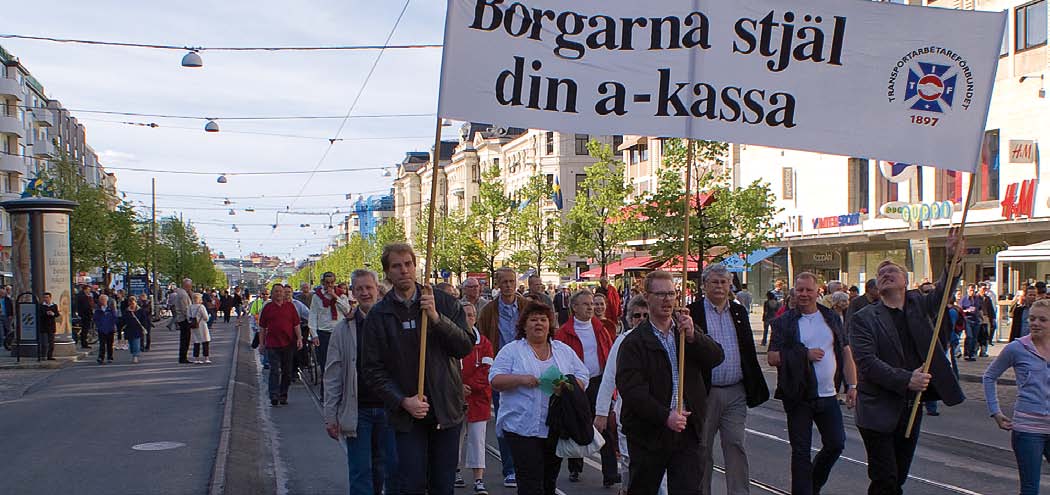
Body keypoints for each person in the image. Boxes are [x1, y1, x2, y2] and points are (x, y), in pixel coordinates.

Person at [849, 231, 965, 495]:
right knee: (885, 478)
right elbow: (867, 362)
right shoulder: (863, 318)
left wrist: (952, 260)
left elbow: (944, 289)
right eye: (881, 273)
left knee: (897, 477)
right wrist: (906, 379)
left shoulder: (918, 305)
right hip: (877, 411)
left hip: (910, 408)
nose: (886, 274)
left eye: (892, 271)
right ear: (877, 287)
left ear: (906, 281)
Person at [360, 243, 474, 495]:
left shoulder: (444, 303)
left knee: (443, 485)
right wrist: (402, 401)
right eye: (396, 266)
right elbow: (371, 369)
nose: (404, 271)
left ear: (416, 266)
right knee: (411, 484)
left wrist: (436, 318)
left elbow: (464, 346)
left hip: (445, 408)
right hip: (408, 415)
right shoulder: (380, 315)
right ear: (388, 273)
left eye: (408, 264)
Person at [617, 270, 725, 495]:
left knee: (687, 488)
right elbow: (632, 390)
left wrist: (695, 336)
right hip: (649, 432)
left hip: (686, 429)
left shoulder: (684, 333)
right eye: (660, 294)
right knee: (644, 488)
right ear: (647, 297)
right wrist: (665, 415)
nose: (667, 300)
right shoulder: (634, 342)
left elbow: (716, 357)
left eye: (671, 294)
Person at [768, 273, 858, 495]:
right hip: (798, 395)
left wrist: (853, 385)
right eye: (800, 290)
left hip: (828, 396)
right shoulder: (784, 321)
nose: (804, 294)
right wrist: (803, 355)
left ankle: (812, 484)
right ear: (794, 291)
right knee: (800, 452)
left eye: (808, 290)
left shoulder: (830, 317)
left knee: (836, 443)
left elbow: (845, 351)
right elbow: (772, 357)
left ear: (818, 291)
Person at [489, 301, 588, 495]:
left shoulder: (562, 350)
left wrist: (567, 386)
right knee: (530, 484)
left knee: (549, 482)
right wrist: (521, 379)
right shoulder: (512, 350)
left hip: (555, 427)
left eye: (543, 320)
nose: (539, 324)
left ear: (550, 325)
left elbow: (583, 376)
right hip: (521, 428)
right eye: (533, 319)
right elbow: (495, 379)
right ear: (524, 325)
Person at [688, 264, 770, 495]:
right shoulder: (692, 312)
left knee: (735, 444)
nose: (720, 287)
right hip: (705, 392)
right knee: (702, 449)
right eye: (714, 282)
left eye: (724, 282)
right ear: (704, 285)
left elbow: (747, 351)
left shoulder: (738, 311)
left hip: (735, 391)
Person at [324, 268, 399, 495]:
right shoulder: (344, 329)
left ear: (378, 290)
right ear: (352, 293)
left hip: (389, 408)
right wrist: (331, 415)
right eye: (360, 289)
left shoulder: (392, 323)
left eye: (369, 287)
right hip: (358, 410)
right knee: (360, 471)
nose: (365, 292)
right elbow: (333, 373)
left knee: (389, 468)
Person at [983, 298, 1050, 495]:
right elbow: (989, 376)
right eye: (1032, 319)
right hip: (1028, 429)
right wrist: (995, 411)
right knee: (1030, 488)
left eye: (1043, 320)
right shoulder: (1017, 348)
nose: (1035, 323)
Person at [595, 296, 661, 494]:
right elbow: (609, 377)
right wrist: (601, 412)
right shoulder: (623, 341)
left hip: (659, 412)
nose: (641, 319)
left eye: (645, 315)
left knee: (659, 466)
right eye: (636, 316)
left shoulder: (663, 338)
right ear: (629, 319)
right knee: (630, 461)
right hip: (629, 414)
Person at [555, 289, 617, 486]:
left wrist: (613, 387)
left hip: (599, 382)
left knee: (604, 426)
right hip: (577, 385)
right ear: (574, 307)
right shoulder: (564, 332)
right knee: (578, 423)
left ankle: (610, 473)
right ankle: (575, 466)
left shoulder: (601, 328)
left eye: (592, 303)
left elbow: (610, 357)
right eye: (585, 304)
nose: (591, 307)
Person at [477, 267, 527, 488]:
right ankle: (510, 468)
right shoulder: (489, 311)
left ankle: (525, 465)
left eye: (512, 281)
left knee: (526, 418)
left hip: (525, 367)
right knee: (504, 419)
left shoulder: (526, 306)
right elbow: (483, 340)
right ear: (497, 284)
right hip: (501, 370)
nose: (508, 285)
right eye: (504, 282)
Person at [456, 302, 494, 495]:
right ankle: (455, 472)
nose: (468, 318)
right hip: (455, 397)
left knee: (477, 439)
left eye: (471, 315)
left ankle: (478, 478)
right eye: (464, 315)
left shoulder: (484, 343)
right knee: (455, 438)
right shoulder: (451, 340)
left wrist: (469, 386)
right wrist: (458, 387)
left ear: (476, 318)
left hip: (478, 398)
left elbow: (487, 369)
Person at [260, 284, 303, 405]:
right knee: (274, 370)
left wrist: (299, 338)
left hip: (288, 343)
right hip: (272, 344)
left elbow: (296, 324)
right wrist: (261, 344)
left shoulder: (290, 307)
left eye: (280, 291)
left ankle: (283, 394)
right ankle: (274, 395)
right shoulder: (267, 307)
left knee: (287, 371)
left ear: (284, 293)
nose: (279, 293)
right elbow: (262, 327)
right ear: (272, 294)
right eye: (276, 291)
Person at [310, 271, 352, 382]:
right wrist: (314, 335)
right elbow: (313, 315)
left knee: (341, 362)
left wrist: (335, 297)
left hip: (339, 332)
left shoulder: (341, 295)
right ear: (323, 283)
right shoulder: (316, 297)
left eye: (332, 282)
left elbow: (347, 311)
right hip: (323, 333)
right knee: (325, 363)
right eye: (327, 282)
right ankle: (326, 390)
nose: (329, 285)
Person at [119, 298, 148, 364]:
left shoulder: (140, 310)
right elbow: (123, 320)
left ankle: (135, 356)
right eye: (131, 303)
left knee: (136, 343)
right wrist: (120, 328)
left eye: (133, 303)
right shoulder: (126, 311)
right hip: (129, 329)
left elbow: (144, 319)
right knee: (131, 344)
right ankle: (133, 352)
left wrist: (144, 327)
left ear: (136, 303)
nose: (132, 305)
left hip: (137, 329)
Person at [172, 278, 194, 364]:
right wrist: (189, 318)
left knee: (185, 338)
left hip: (182, 318)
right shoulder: (183, 295)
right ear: (187, 285)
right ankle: (183, 357)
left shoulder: (182, 293)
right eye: (190, 285)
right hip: (184, 319)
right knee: (185, 338)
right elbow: (185, 308)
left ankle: (183, 357)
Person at [960, 284, 983, 361]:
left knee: (974, 337)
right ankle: (966, 353)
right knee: (969, 336)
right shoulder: (964, 299)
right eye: (970, 290)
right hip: (967, 319)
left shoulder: (977, 299)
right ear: (967, 290)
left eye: (973, 290)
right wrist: (966, 311)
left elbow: (979, 309)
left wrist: (981, 318)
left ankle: (972, 354)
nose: (972, 292)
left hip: (976, 319)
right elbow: (960, 309)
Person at [93, 294, 117, 364]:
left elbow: (115, 317)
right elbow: (95, 318)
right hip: (101, 329)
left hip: (110, 329)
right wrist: (99, 325)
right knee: (102, 344)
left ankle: (110, 357)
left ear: (106, 300)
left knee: (110, 344)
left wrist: (113, 325)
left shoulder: (110, 309)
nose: (102, 301)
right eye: (101, 300)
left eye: (103, 300)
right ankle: (101, 357)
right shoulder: (98, 309)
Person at [190, 293, 213, 364]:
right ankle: (206, 358)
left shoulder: (190, 307)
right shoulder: (201, 307)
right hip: (202, 325)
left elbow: (188, 317)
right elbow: (206, 317)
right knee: (205, 341)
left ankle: (196, 359)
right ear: (199, 299)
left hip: (194, 326)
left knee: (196, 342)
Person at [40, 292, 59, 360]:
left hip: (51, 326)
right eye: (45, 297)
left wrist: (53, 313)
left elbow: (57, 314)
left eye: (47, 297)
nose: (46, 299)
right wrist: (46, 313)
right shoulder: (41, 306)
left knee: (51, 343)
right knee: (44, 343)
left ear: (50, 298)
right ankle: (43, 356)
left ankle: (49, 356)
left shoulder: (54, 305)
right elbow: (39, 314)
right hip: (44, 326)